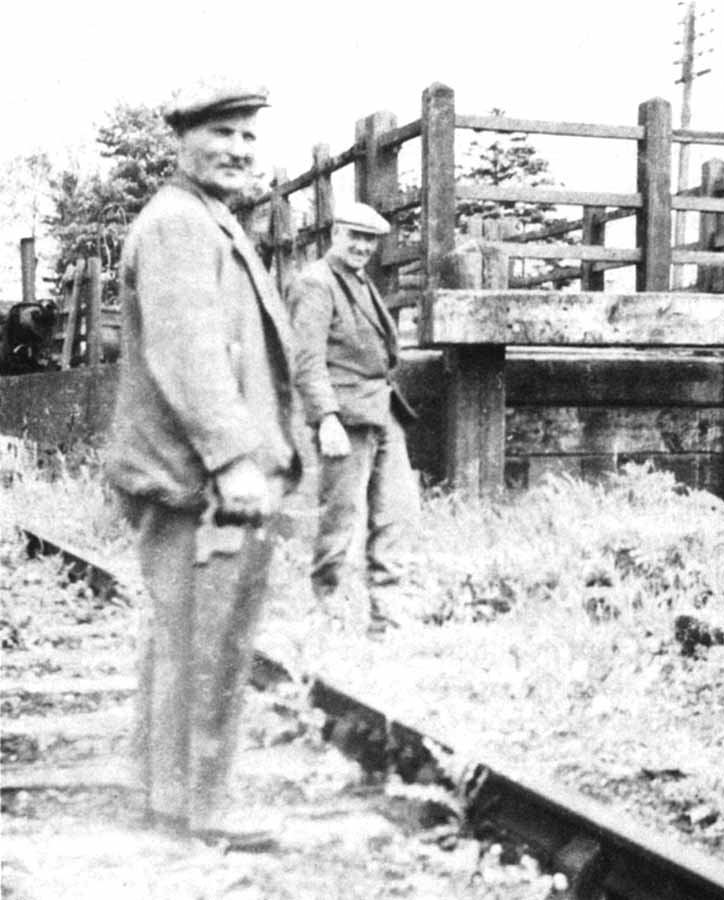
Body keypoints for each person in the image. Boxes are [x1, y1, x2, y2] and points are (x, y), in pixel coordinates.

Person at [105, 79, 301, 845]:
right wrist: (232, 460)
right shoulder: (181, 224)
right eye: (222, 132)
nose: (239, 148)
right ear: (181, 141)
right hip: (202, 482)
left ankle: (166, 801)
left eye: (249, 136)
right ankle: (204, 812)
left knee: (186, 642)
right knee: (210, 646)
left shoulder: (204, 219)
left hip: (195, 478)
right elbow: (189, 353)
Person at [288, 202, 419, 637]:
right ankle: (329, 616)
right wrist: (326, 418)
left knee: (395, 515)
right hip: (345, 417)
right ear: (335, 235)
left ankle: (388, 620)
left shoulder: (361, 282)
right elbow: (307, 360)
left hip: (383, 409)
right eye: (354, 236)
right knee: (341, 516)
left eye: (370, 239)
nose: (362, 246)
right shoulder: (315, 284)